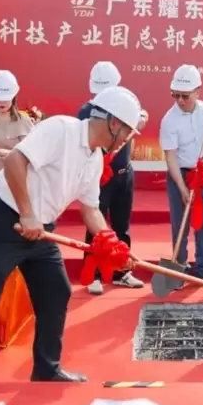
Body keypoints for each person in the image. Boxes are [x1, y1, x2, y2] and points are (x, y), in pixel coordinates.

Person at [0, 86, 142, 382]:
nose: (128, 139)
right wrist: (27, 213)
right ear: (114, 123)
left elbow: (91, 209)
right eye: (128, 131)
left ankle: (47, 369)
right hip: (3, 220)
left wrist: (113, 246)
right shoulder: (62, 129)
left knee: (57, 290)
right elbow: (15, 160)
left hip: (41, 232)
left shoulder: (94, 159)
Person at [78, 61, 147, 295]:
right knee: (95, 227)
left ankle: (121, 272)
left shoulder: (127, 104)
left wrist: (140, 119)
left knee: (121, 225)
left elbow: (141, 118)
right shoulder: (87, 112)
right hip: (98, 177)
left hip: (124, 174)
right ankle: (94, 274)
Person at [160, 64, 203, 282]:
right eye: (175, 95)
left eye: (185, 96)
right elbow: (170, 157)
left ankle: (202, 269)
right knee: (179, 224)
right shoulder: (169, 119)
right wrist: (182, 188)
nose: (180, 100)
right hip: (180, 174)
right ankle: (179, 268)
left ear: (198, 92)